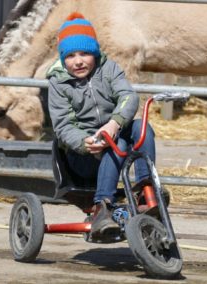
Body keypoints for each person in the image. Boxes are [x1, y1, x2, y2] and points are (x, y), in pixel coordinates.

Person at [47, 12, 156, 238]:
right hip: (82, 157)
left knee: (140, 128)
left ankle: (145, 189)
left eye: (85, 53)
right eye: (71, 55)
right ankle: (102, 206)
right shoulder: (58, 84)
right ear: (62, 58)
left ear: (95, 53)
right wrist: (83, 143)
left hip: (114, 141)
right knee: (120, 142)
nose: (78, 61)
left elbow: (128, 97)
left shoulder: (109, 70)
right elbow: (62, 126)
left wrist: (114, 123)